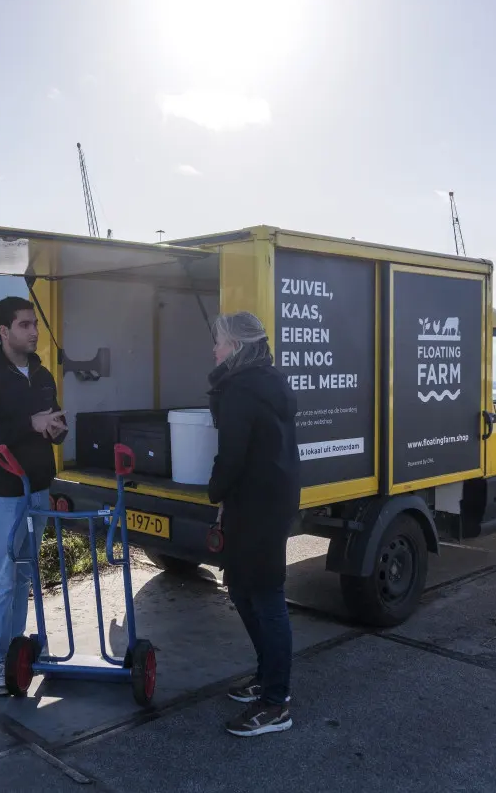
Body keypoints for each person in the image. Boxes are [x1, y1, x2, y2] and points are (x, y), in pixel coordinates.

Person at [0, 296, 67, 695]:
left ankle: (19, 651)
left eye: (35, 324)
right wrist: (30, 424)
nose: (34, 331)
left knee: (26, 573)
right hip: (5, 493)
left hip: (39, 488)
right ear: (4, 331)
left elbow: (49, 419)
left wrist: (57, 429)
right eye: (25, 325)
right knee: (4, 576)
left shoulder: (42, 376)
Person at [206, 311, 300, 737]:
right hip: (267, 499)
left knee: (265, 593)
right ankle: (267, 677)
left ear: (238, 348)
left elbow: (232, 454)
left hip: (258, 503)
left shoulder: (241, 389)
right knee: (241, 587)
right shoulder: (271, 380)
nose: (215, 349)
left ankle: (276, 703)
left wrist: (213, 490)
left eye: (220, 342)